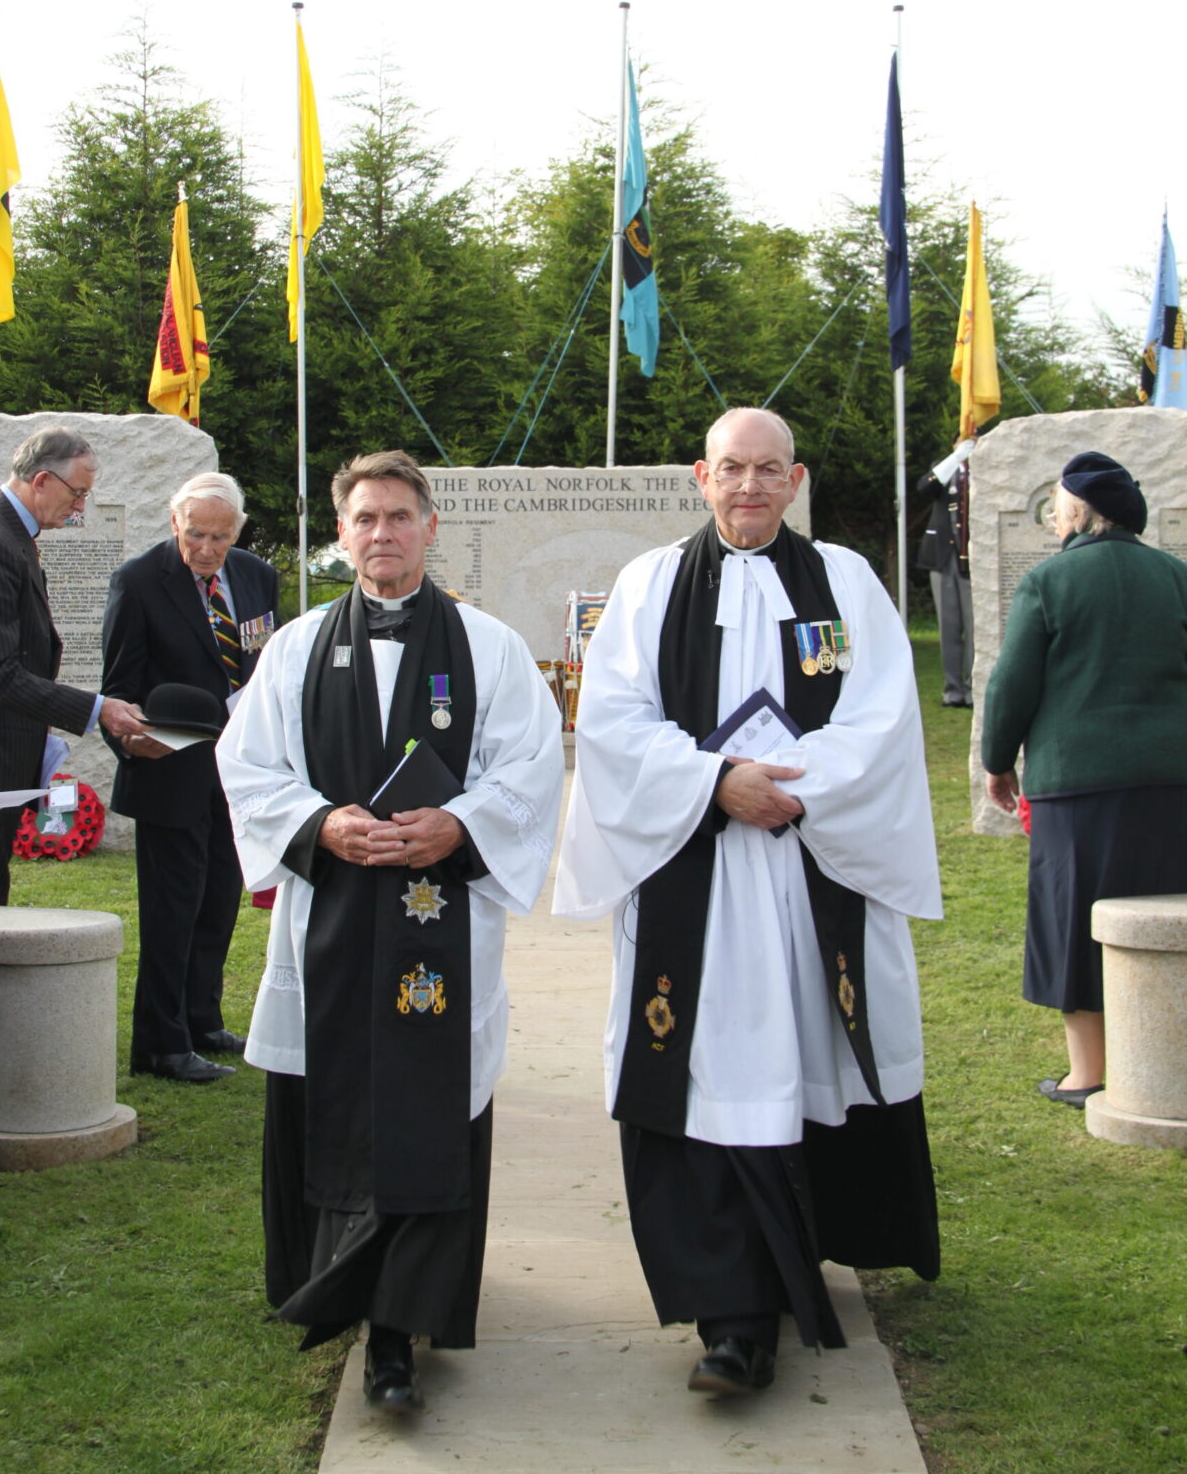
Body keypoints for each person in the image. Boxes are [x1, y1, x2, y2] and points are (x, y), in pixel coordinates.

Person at [554, 407, 942, 1400]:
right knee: (709, 1066)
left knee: (808, 1053)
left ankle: (803, 1245)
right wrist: (715, 783)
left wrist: (793, 786)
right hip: (701, 868)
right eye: (732, 467)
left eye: (769, 469)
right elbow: (612, 721)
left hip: (809, 858)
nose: (750, 485)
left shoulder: (845, 582)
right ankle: (733, 1314)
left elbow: (883, 710)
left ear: (796, 477)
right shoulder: (648, 587)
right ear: (700, 474)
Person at [216, 450, 564, 1414]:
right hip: (329, 911)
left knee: (431, 1096)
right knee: (333, 1092)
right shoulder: (292, 648)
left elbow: (530, 767)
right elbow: (246, 764)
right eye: (365, 518)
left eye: (400, 516)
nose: (382, 534)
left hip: (438, 915)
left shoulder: (489, 647)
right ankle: (333, 1288)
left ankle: (404, 1324)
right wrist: (319, 822)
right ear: (342, 534)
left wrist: (461, 823)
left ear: (430, 526)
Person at [981, 450, 1187, 1109]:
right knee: (1167, 915)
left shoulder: (1049, 581)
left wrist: (996, 760)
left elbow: (1014, 682)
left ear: (1078, 511)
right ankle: (1168, 1063)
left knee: (1075, 926)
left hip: (1077, 782)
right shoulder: (1177, 577)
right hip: (1172, 781)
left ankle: (1088, 1073)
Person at [0, 426, 149, 1247]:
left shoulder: (20, 535)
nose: (82, 507)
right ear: (42, 479)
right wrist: (93, 710)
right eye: (79, 493)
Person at [101, 471, 279, 1084]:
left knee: (218, 901)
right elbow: (119, 688)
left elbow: (264, 660)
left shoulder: (257, 577)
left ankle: (203, 1019)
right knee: (172, 911)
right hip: (169, 771)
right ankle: (160, 1043)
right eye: (196, 534)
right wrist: (132, 741)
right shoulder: (139, 581)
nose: (206, 549)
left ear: (238, 532)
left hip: (237, 774)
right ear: (175, 522)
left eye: (221, 537)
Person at [916, 435, 975, 707]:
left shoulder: (984, 470)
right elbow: (924, 488)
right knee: (949, 627)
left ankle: (975, 687)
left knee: (975, 628)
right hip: (943, 556)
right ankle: (953, 689)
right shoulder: (946, 467)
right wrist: (957, 458)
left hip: (973, 557)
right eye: (964, 440)